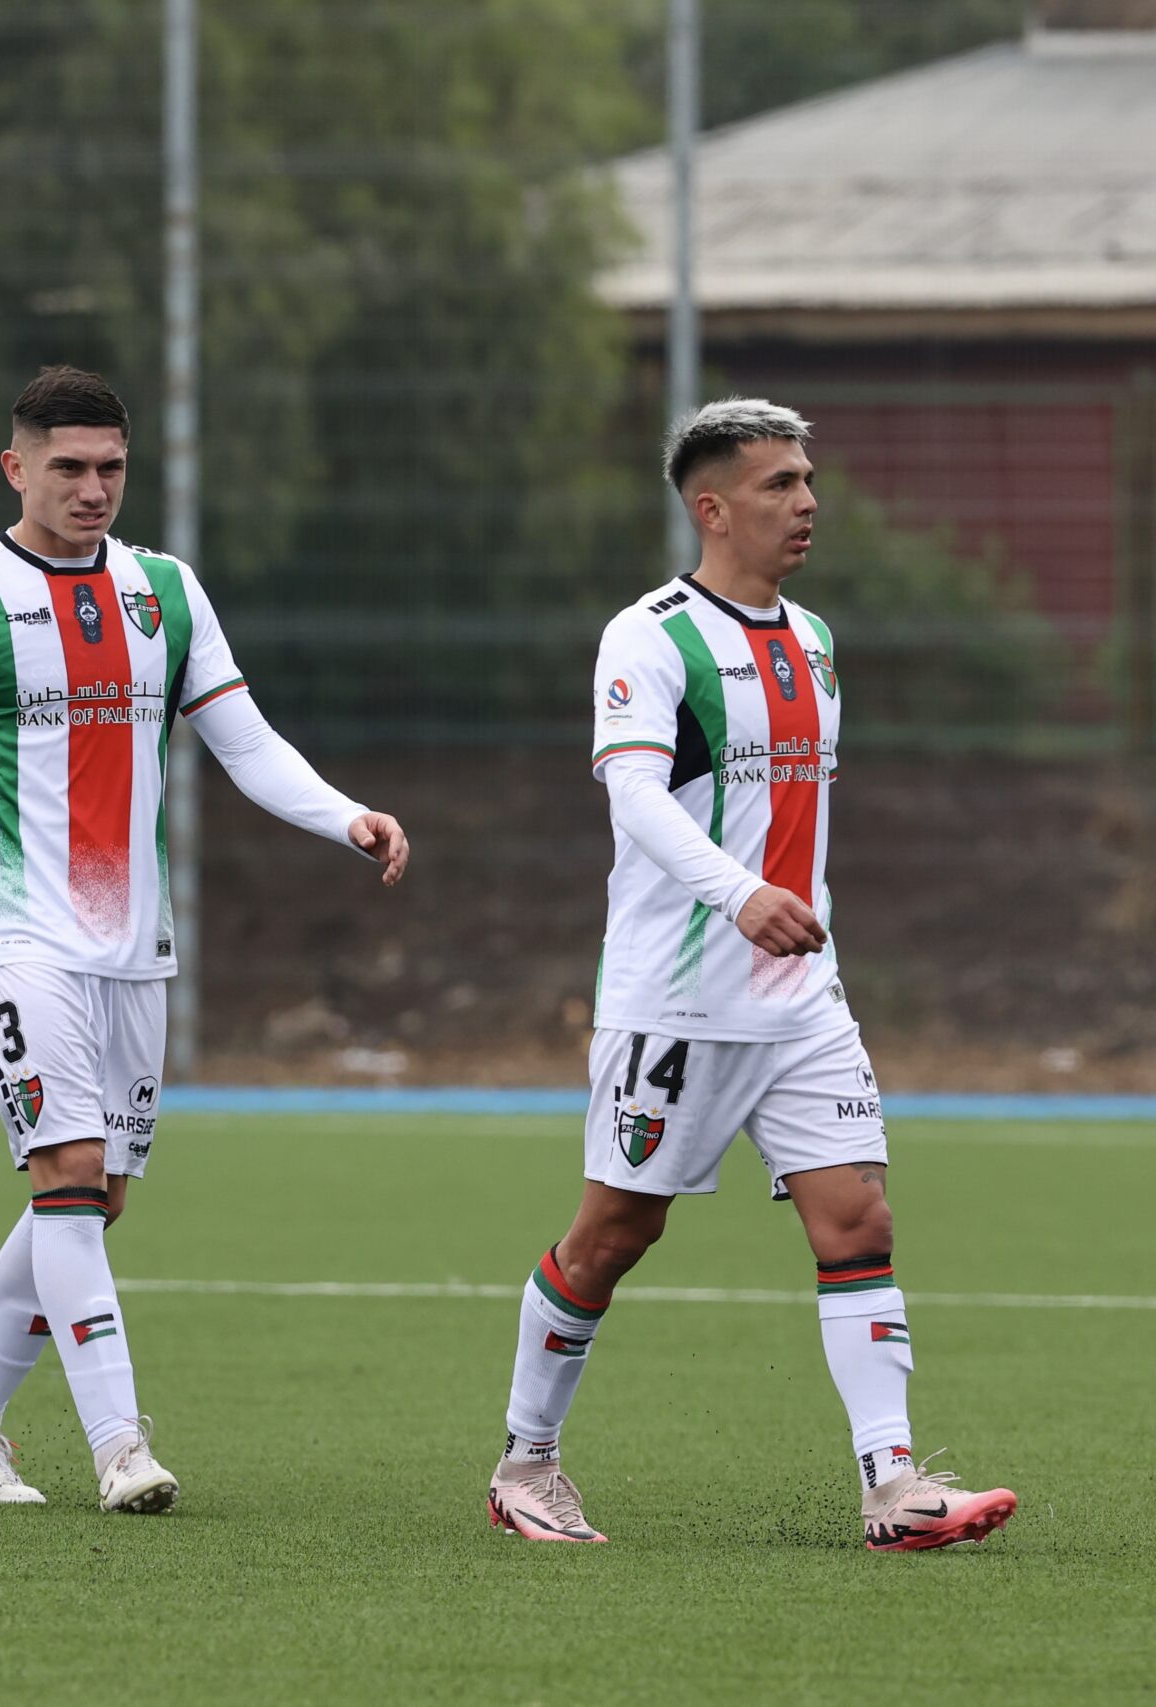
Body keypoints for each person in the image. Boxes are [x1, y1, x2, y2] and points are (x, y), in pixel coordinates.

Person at [0, 366, 409, 1512]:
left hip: (134, 942)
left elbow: (244, 742)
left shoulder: (164, 592)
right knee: (69, 1176)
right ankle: (119, 1446)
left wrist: (345, 814)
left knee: (94, 1199)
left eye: (111, 469)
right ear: (15, 468)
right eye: (68, 468)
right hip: (11, 932)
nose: (93, 490)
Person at [483, 397, 1017, 1551]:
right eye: (779, 483)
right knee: (612, 1236)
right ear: (710, 506)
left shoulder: (814, 639)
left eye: (808, 479)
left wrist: (790, 904)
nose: (807, 500)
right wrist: (737, 892)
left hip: (803, 1004)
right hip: (675, 1003)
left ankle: (892, 1486)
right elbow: (630, 793)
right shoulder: (649, 636)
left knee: (857, 1217)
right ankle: (526, 1463)